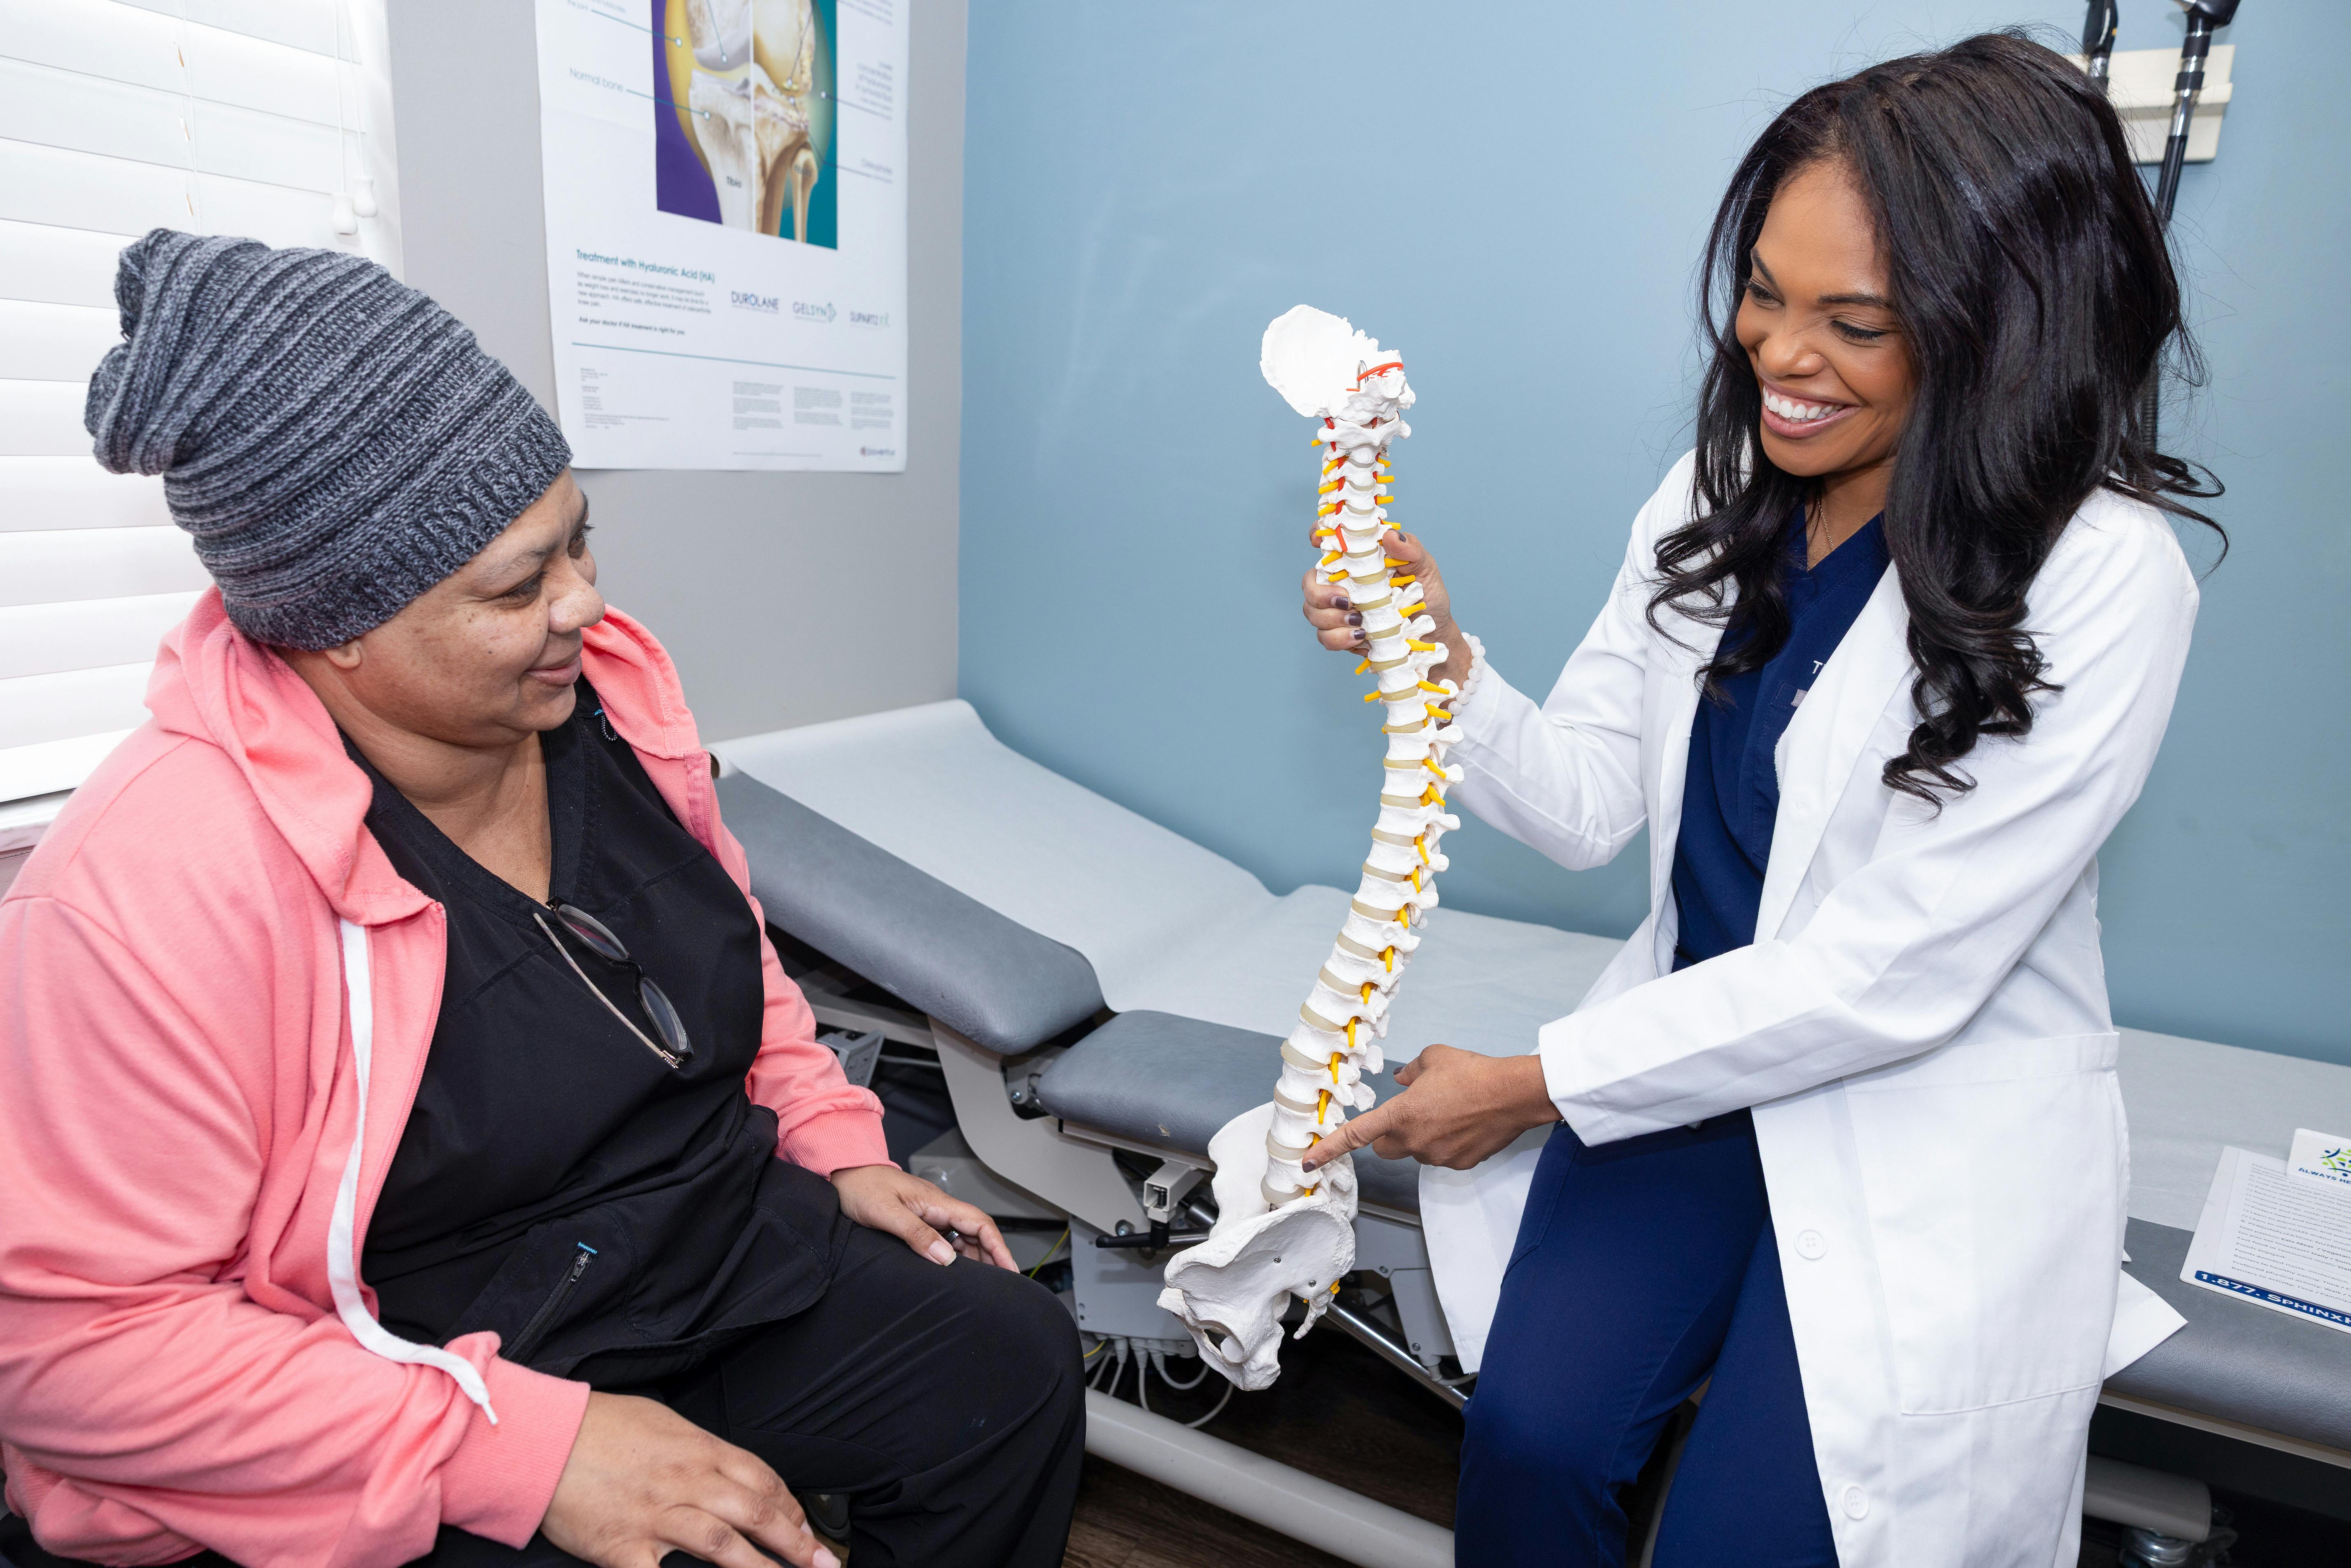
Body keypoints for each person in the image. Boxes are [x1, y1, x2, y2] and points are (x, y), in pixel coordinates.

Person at [0, 232, 1082, 1568]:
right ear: (338, 622)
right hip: (403, 1364)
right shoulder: (144, 887)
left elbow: (729, 958)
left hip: (692, 1248)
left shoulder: (604, 695)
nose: (586, 602)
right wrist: (527, 1448)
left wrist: (832, 1137)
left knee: (1007, 1362)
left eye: (579, 541)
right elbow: (73, 1353)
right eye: (520, 584)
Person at [1294, 33, 2217, 1567]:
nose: (1780, 354)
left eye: (1854, 323)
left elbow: (1887, 974)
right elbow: (1589, 799)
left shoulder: (2103, 573)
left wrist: (1530, 1083)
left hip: (1913, 1113)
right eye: (1766, 294)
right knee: (1530, 1445)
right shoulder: (1720, 487)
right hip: (1682, 1076)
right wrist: (1440, 657)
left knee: (1755, 1540)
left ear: (1997, 329)